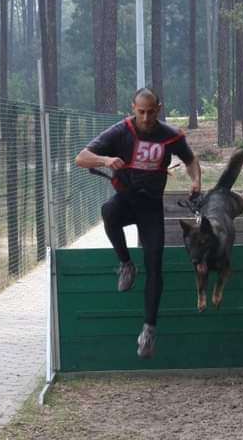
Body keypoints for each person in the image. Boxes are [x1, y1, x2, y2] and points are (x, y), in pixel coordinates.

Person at [74, 88, 201, 358]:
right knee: (108, 211)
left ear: (159, 108)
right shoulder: (119, 132)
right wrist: (105, 159)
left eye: (151, 112)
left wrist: (196, 181)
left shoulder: (169, 135)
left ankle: (149, 331)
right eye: (140, 111)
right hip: (126, 199)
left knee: (155, 264)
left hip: (151, 208)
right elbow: (81, 158)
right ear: (133, 108)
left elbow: (190, 160)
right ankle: (126, 264)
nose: (145, 117)